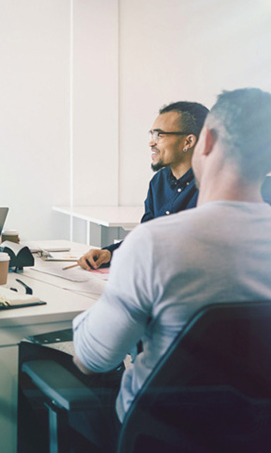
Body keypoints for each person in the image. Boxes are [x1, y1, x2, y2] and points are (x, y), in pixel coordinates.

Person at [72, 88, 271, 450]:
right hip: (257, 432)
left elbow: (92, 360)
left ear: (204, 141)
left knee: (33, 370)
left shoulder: (152, 245)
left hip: (157, 432)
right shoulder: (151, 226)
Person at [78, 101, 209, 270]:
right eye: (152, 135)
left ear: (188, 142)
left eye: (159, 136)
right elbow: (146, 239)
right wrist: (109, 254)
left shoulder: (214, 186)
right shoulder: (158, 181)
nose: (151, 143)